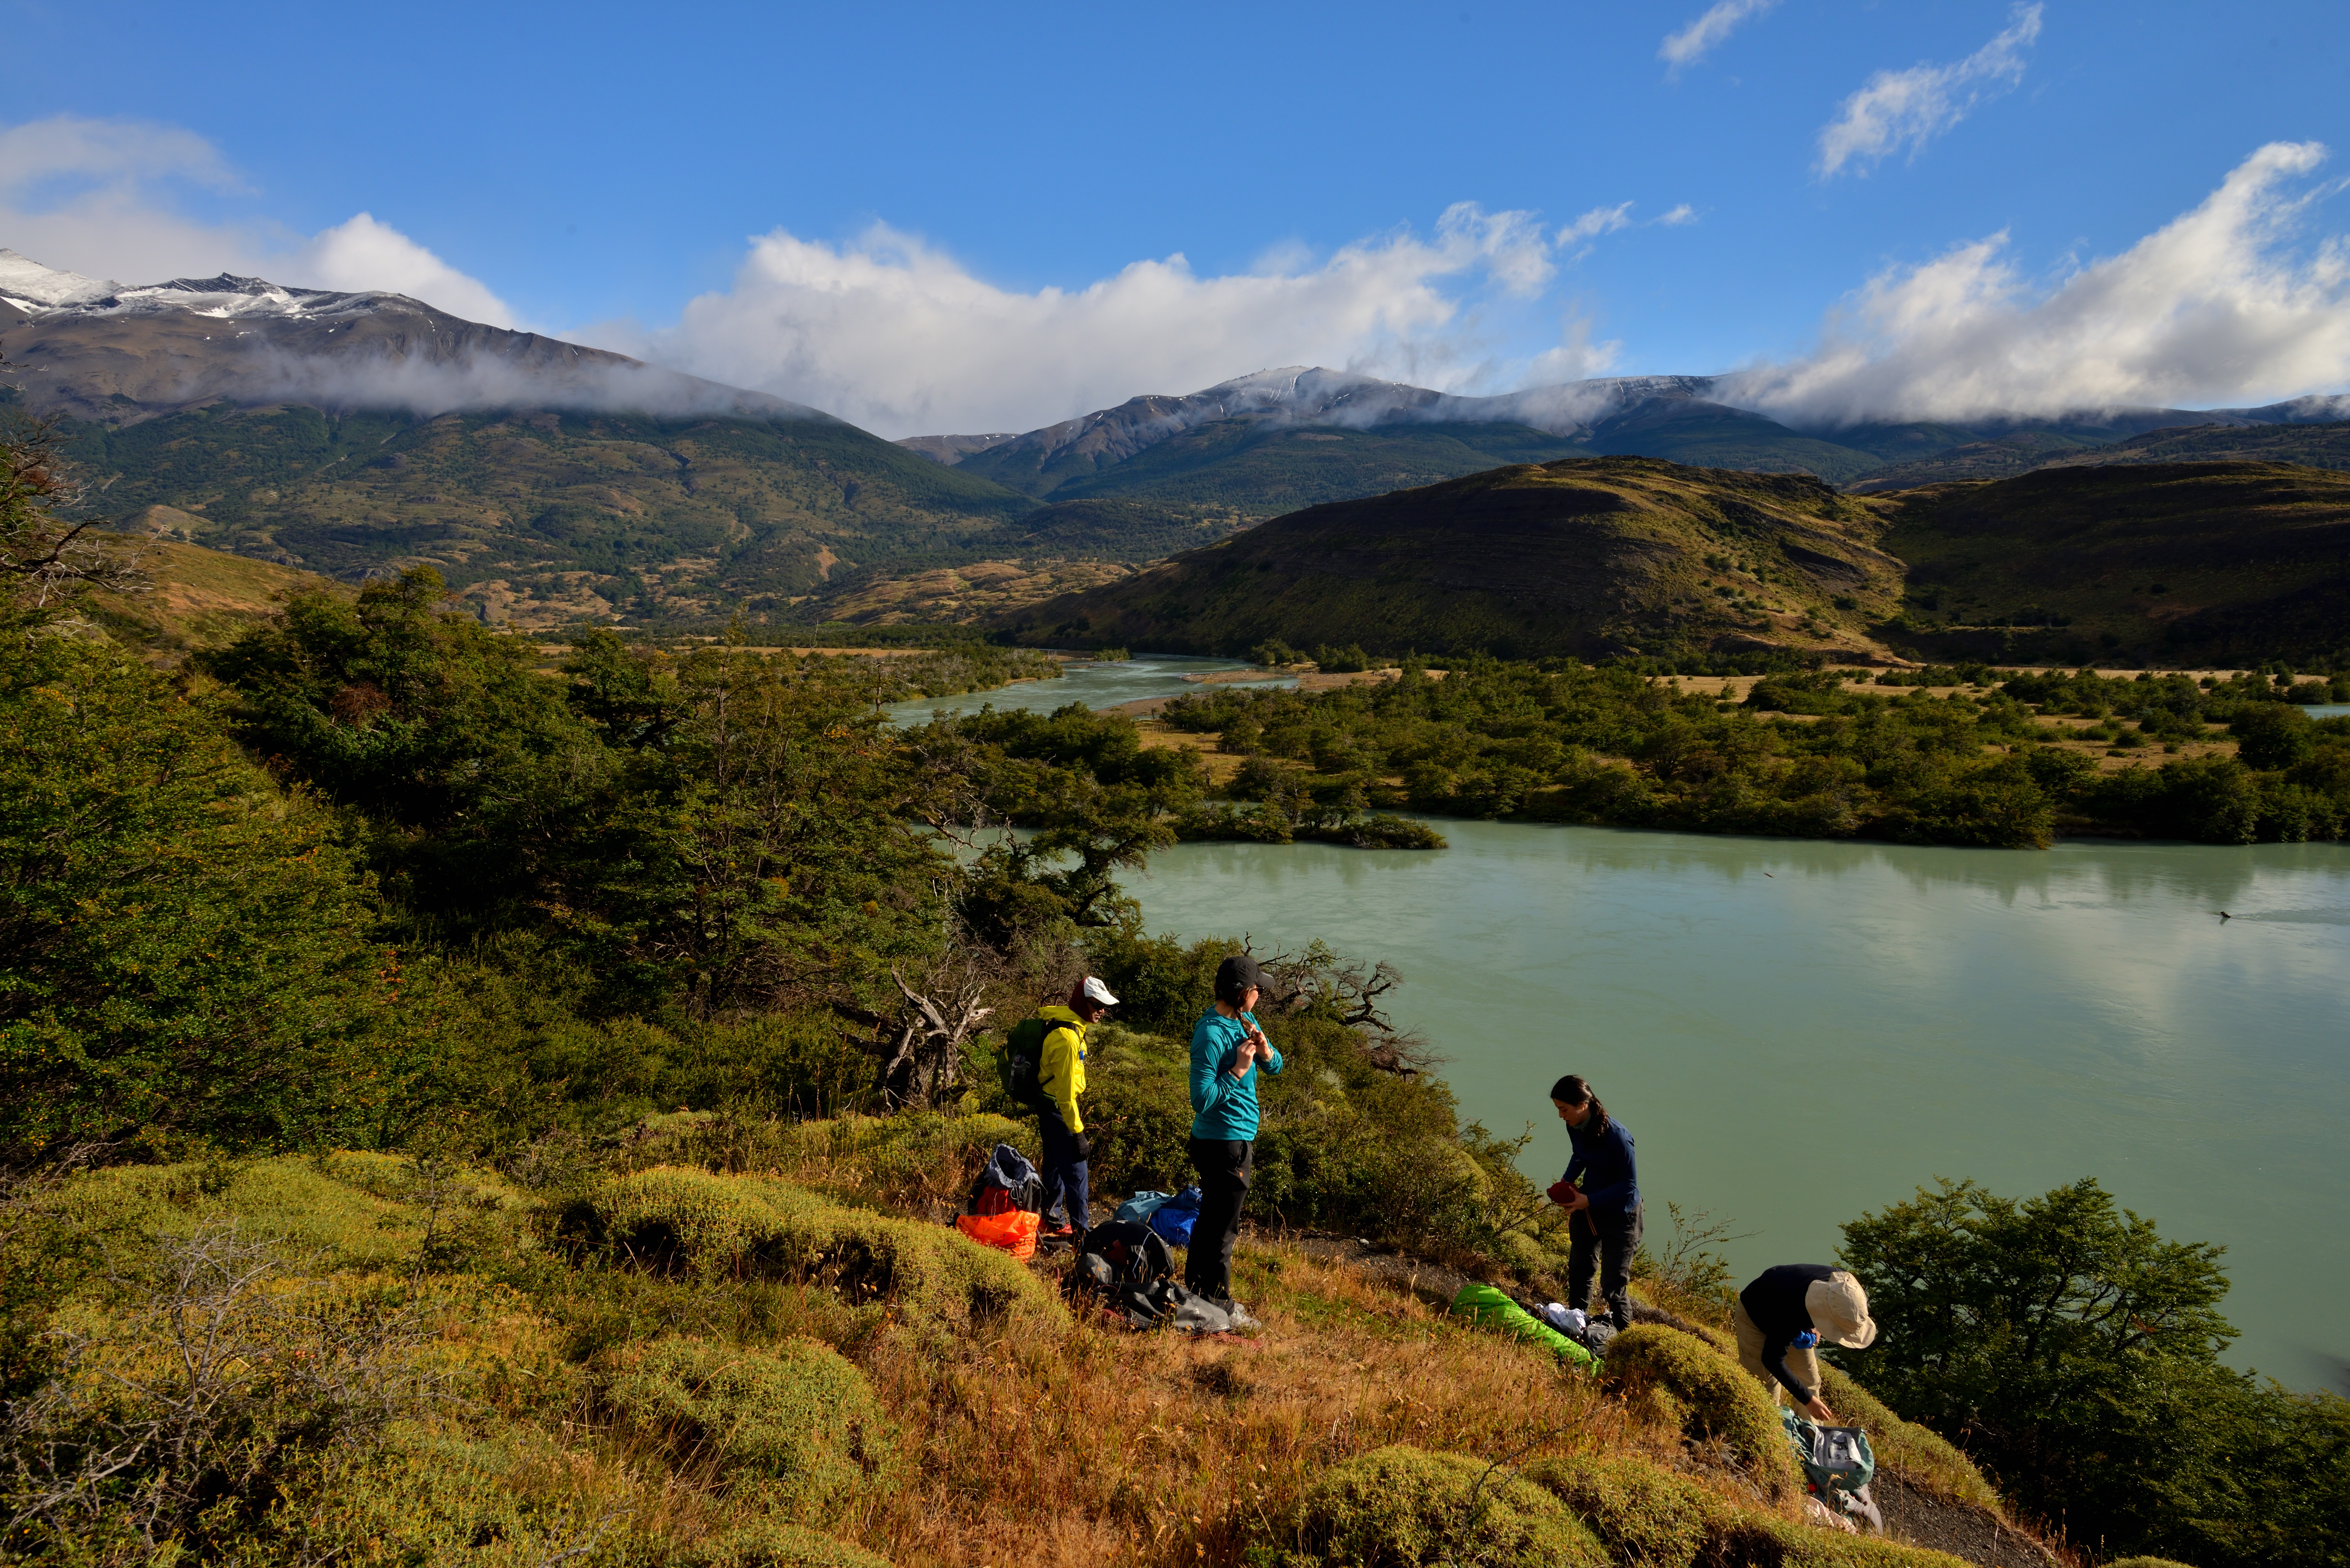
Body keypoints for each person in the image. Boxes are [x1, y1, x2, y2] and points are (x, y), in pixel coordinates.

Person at [1186, 953, 1283, 1316]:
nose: (1260, 994)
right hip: (1222, 1142)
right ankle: (1217, 1302)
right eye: (1257, 989)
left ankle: (1196, 1295)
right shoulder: (1210, 1033)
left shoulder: (1246, 1021)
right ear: (1243, 992)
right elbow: (1201, 1099)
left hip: (1233, 1138)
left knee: (1212, 1220)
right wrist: (1238, 1070)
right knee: (1223, 1228)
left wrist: (1265, 1051)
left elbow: (1276, 1066)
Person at [1546, 1074, 1641, 1331]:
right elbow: (1580, 1155)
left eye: (1564, 1109)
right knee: (1580, 1269)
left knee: (1613, 1286)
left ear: (1583, 1105)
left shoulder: (1618, 1137)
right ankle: (1576, 1324)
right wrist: (1565, 1183)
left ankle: (1625, 1339)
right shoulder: (1574, 1126)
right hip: (1588, 1209)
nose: (1561, 1116)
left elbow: (1628, 1184)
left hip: (1621, 1216)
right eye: (1558, 1110)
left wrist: (1589, 1200)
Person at [1732, 1264, 1878, 1422]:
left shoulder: (1846, 1290)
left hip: (1788, 1313)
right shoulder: (1794, 1309)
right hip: (1755, 1315)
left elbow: (1828, 1308)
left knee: (1809, 1379)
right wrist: (1808, 1400)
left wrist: (1817, 1327)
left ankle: (1812, 1435)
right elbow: (1772, 1359)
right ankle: (1769, 1433)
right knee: (1766, 1386)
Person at [1035, 975, 1118, 1245]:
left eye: (1104, 1006)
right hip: (1058, 1110)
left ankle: (1052, 1219)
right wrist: (1079, 1133)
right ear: (1083, 1004)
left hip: (1048, 1106)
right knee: (1077, 1172)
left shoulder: (1068, 1024)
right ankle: (1083, 1238)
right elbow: (1067, 1096)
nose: (1102, 1010)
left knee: (1055, 1166)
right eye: (1097, 1005)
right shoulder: (1068, 1039)